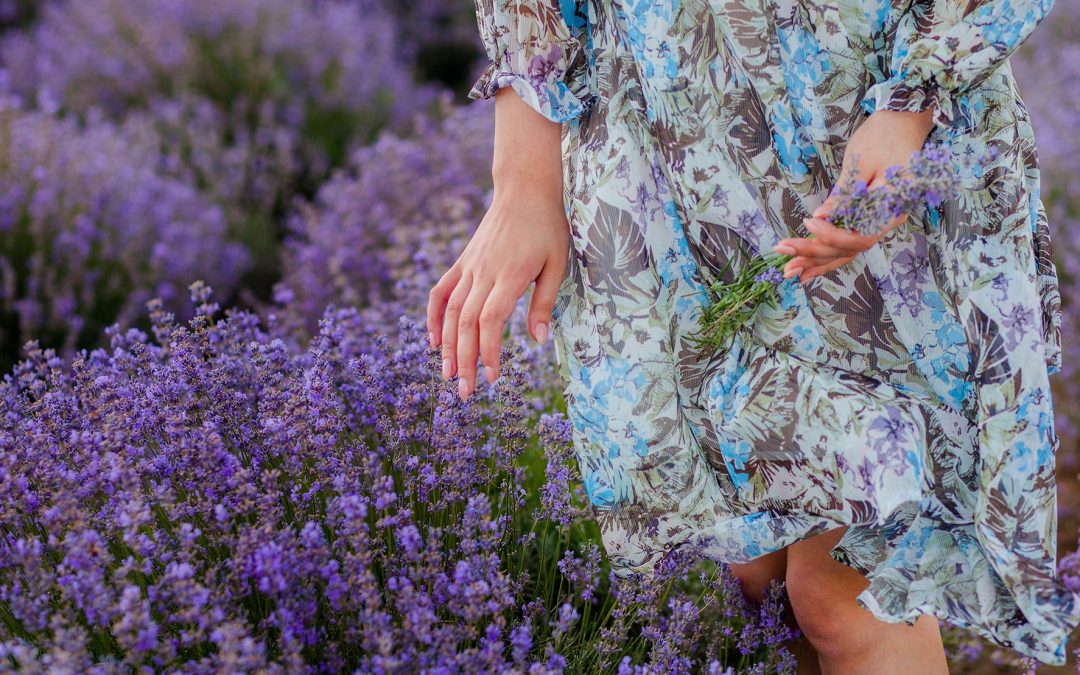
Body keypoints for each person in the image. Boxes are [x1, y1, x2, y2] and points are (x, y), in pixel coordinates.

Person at [426, 0, 1080, 670]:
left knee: (843, 595)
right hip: (666, 183)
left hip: (862, 140)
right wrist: (522, 185)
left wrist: (910, 105)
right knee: (762, 588)